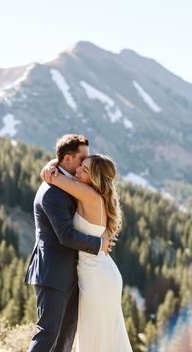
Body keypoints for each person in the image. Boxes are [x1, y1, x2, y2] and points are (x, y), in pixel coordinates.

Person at [24, 134, 113, 352]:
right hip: (53, 272)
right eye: (82, 159)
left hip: (76, 273)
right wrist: (98, 244)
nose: (85, 163)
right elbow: (65, 235)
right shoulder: (52, 192)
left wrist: (52, 164)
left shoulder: (70, 182)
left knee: (66, 336)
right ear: (67, 160)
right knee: (48, 333)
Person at [42, 154, 133, 352]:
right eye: (80, 166)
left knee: (96, 337)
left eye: (84, 169)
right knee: (104, 335)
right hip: (100, 272)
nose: (77, 170)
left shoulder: (87, 193)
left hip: (96, 277)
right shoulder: (94, 195)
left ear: (95, 177)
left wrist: (51, 164)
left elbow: (52, 176)